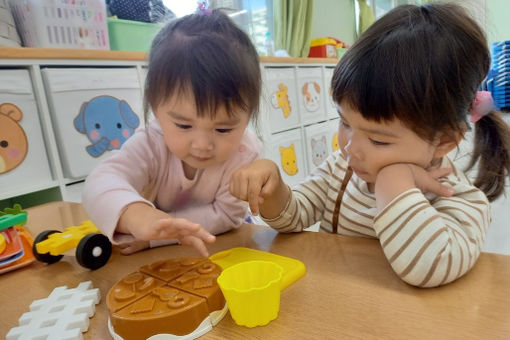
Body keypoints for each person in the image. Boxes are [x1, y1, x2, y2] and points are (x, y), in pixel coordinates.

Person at [230, 3, 510, 287]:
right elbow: (294, 216)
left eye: (378, 139)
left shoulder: (461, 200)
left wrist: (394, 180)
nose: (351, 147)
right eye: (345, 123)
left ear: (445, 141)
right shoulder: (341, 168)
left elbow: (430, 268)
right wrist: (274, 187)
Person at [82, 9, 262, 257]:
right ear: (156, 108)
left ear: (248, 117)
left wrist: (159, 236)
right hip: (153, 253)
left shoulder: (244, 154)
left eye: (223, 128)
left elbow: (227, 215)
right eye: (184, 125)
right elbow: (99, 182)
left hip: (221, 245)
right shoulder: (150, 141)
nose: (202, 145)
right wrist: (137, 215)